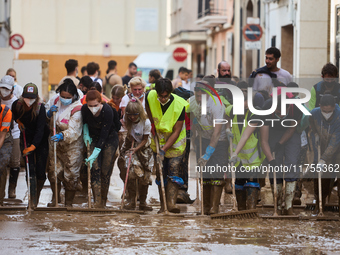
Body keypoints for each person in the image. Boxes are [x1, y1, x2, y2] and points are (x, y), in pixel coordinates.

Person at [145, 78, 188, 213]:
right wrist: (152, 123)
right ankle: (163, 205)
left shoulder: (180, 105)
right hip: (159, 141)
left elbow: (176, 131)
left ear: (170, 93)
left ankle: (171, 204)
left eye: (166, 96)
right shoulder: (151, 96)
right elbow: (147, 105)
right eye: (161, 96)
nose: (163, 99)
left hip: (175, 144)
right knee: (160, 171)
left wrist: (164, 150)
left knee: (173, 169)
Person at [260, 89, 302, 215]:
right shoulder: (266, 108)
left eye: (284, 113)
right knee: (275, 165)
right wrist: (270, 159)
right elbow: (264, 140)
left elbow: (291, 129)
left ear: (289, 107)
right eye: (278, 112)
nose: (281, 116)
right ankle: (277, 204)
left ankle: (288, 205)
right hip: (272, 131)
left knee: (292, 162)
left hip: (291, 132)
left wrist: (280, 143)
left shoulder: (296, 108)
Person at [189, 80, 228, 215]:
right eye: (197, 96)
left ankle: (214, 207)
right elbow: (192, 115)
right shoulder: (193, 101)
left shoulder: (216, 105)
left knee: (216, 174)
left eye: (202, 96)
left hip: (220, 141)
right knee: (204, 174)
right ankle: (205, 207)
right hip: (203, 139)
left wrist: (207, 154)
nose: (199, 99)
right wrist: (194, 130)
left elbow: (216, 134)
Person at [227, 82, 266, 210]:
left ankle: (251, 211)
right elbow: (225, 114)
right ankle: (241, 211)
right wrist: (227, 128)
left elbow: (245, 136)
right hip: (238, 160)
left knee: (251, 183)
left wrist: (234, 153)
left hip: (252, 158)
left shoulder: (255, 114)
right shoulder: (233, 110)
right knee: (238, 183)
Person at [46, 78, 84, 207]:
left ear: (73, 96)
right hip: (55, 143)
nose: (64, 99)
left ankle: (68, 202)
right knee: (53, 171)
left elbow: (74, 131)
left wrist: (62, 135)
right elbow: (46, 113)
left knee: (71, 174)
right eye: (62, 96)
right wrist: (48, 114)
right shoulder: (55, 100)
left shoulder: (77, 109)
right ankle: (55, 199)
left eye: (68, 97)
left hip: (72, 145)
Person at [11, 83, 49, 207]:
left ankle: (37, 194)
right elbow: (14, 116)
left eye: (32, 98)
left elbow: (40, 129)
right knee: (30, 169)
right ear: (22, 96)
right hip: (26, 136)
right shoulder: (17, 105)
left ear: (36, 97)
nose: (29, 100)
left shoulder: (40, 108)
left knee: (40, 170)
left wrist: (34, 146)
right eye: (27, 97)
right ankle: (32, 199)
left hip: (41, 139)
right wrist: (18, 121)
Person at [82, 90, 119, 208]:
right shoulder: (84, 109)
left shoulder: (108, 110)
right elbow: (84, 123)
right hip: (93, 137)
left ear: (100, 102)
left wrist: (96, 152)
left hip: (109, 138)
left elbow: (105, 133)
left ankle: (103, 200)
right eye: (90, 106)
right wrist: (85, 133)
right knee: (94, 169)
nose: (93, 108)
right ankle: (97, 201)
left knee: (105, 170)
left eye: (96, 105)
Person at [118, 98, 153, 211]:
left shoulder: (146, 122)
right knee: (132, 174)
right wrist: (130, 141)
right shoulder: (126, 118)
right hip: (132, 145)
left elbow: (145, 140)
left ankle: (142, 202)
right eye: (130, 115)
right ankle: (132, 201)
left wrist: (136, 149)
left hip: (145, 148)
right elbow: (127, 128)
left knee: (145, 177)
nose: (132, 117)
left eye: (135, 115)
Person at [309, 95, 340, 215]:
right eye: (324, 111)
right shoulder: (314, 113)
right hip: (322, 144)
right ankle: (320, 203)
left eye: (329, 111)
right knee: (322, 175)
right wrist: (315, 133)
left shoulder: (339, 116)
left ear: (334, 107)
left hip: (338, 146)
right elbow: (311, 124)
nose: (327, 114)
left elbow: (335, 142)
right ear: (320, 106)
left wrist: (323, 159)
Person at [0, 75, 21, 199]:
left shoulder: (16, 103)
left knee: (14, 162)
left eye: (7, 89)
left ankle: (12, 188)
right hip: (1, 131)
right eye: (2, 88)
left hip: (13, 133)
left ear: (12, 89)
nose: (4, 91)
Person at [0, 96, 12, 206]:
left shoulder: (6, 112)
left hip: (4, 139)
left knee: (1, 166)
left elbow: (2, 135)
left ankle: (0, 198)